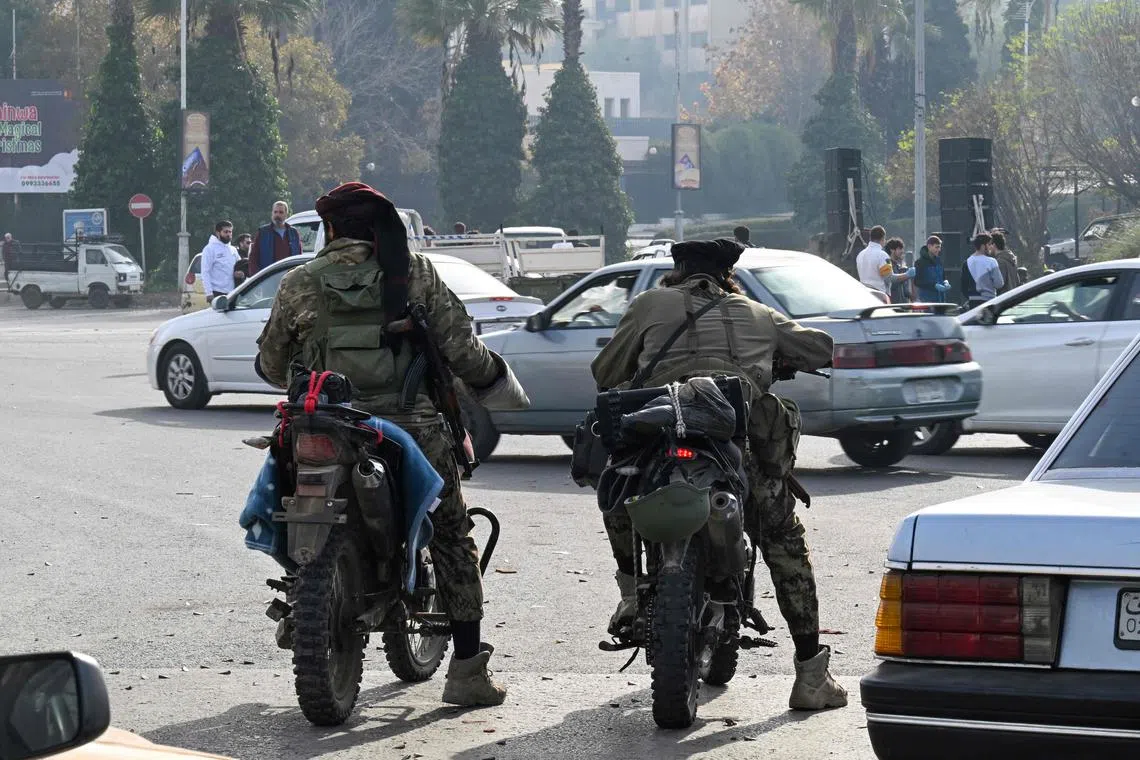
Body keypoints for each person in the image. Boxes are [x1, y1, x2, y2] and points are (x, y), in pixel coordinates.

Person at [256, 181, 529, 708]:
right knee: (450, 531)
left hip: (329, 427)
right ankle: (467, 671)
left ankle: (300, 599)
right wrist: (494, 378)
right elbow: (462, 350)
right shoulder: (413, 275)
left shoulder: (300, 282)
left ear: (330, 230)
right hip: (413, 432)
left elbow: (271, 366)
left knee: (286, 500)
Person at [591, 238, 848, 712]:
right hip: (738, 446)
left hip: (662, 439)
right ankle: (811, 674)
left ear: (677, 272)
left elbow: (605, 370)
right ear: (728, 276)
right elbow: (821, 349)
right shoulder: (756, 313)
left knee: (618, 487)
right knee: (783, 541)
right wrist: (781, 357)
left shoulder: (650, 304)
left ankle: (630, 594)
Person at [248, 201, 302, 277]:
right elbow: (253, 257)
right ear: (272, 213)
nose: (277, 215)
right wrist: (256, 278)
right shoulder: (263, 233)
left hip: (289, 278)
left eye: (281, 212)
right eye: (275, 212)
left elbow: (298, 257)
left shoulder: (293, 233)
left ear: (286, 214)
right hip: (268, 278)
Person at [856, 226, 913, 297]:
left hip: (865, 295)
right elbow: (889, 278)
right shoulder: (882, 255)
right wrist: (907, 274)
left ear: (871, 237)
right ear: (883, 238)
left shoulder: (860, 255)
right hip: (879, 296)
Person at [200, 220, 238, 300]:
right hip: (216, 292)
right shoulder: (209, 249)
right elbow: (205, 272)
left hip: (232, 292)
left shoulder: (233, 250)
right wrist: (209, 293)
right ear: (218, 233)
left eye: (230, 232)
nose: (228, 234)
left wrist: (240, 273)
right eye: (226, 232)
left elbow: (241, 266)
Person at [963, 233, 1002, 309]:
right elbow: (999, 284)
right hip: (989, 301)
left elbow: (963, 287)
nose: (991, 247)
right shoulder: (992, 262)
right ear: (983, 246)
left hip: (972, 302)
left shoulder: (966, 262)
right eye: (989, 244)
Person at [914, 235, 951, 303]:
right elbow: (917, 281)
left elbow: (943, 277)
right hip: (927, 301)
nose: (939, 250)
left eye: (939, 247)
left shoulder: (939, 261)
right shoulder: (920, 262)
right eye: (937, 247)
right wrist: (934, 285)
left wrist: (946, 282)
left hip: (941, 300)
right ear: (929, 246)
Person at [885, 238, 912, 304]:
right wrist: (905, 275)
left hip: (901, 305)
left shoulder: (897, 266)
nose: (902, 251)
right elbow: (890, 281)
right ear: (892, 250)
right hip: (892, 305)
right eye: (899, 249)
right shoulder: (887, 264)